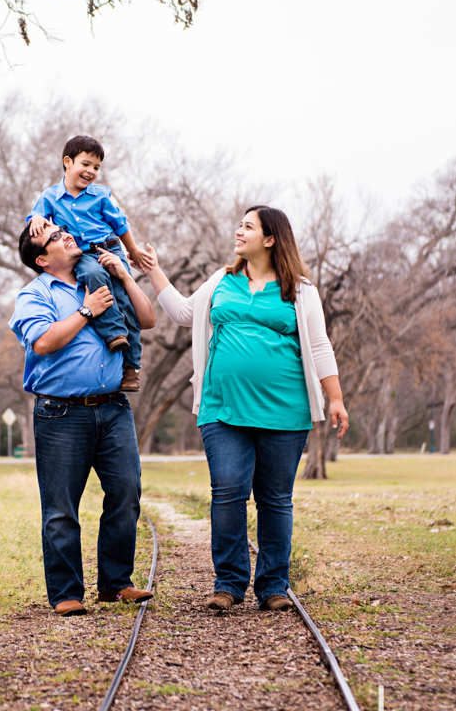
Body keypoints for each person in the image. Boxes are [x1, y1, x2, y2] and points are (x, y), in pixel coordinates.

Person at [143, 205, 349, 612]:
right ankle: (229, 583)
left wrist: (336, 397)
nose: (238, 231)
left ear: (270, 239)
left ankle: (273, 586)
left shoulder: (301, 290)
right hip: (222, 407)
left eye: (248, 226)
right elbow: (184, 313)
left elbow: (320, 345)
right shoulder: (222, 280)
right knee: (228, 490)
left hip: (284, 411)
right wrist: (152, 269)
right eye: (240, 224)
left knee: (275, 498)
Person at [9, 221, 157, 616]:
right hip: (60, 413)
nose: (66, 236)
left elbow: (146, 320)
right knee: (61, 509)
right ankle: (66, 593)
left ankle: (116, 584)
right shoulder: (34, 294)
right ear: (41, 259)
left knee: (126, 494)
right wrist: (86, 311)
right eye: (55, 237)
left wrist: (124, 275)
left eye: (63, 231)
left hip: (113, 408)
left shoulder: (101, 274)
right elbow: (42, 342)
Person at [27, 135, 153, 393]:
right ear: (67, 162)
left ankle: (132, 366)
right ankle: (114, 333)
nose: (91, 172)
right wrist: (37, 218)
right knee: (93, 275)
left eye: (96, 167)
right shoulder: (50, 197)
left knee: (124, 300)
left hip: (110, 248)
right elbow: (36, 216)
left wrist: (132, 252)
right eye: (86, 164)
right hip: (84, 254)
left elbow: (120, 225)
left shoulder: (101, 194)